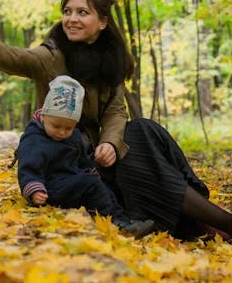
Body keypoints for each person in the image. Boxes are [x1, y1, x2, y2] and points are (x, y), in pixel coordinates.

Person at [0, 0, 232, 249]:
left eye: (82, 12)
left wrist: (109, 141)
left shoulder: (112, 61)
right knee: (138, 137)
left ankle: (214, 224)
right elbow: (12, 57)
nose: (72, 19)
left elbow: (116, 111)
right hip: (72, 161)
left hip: (103, 154)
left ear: (103, 22)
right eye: (68, 11)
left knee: (145, 130)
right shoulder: (52, 56)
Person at [17, 75, 156, 239]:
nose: (62, 132)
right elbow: (27, 167)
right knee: (91, 185)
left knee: (102, 186)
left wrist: (91, 170)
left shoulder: (73, 136)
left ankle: (125, 220)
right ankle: (116, 224)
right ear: (45, 115)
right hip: (49, 186)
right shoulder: (34, 138)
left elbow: (81, 159)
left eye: (68, 128)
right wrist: (34, 189)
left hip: (70, 181)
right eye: (56, 126)